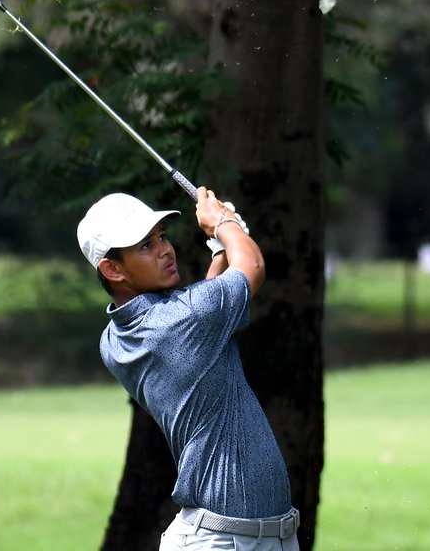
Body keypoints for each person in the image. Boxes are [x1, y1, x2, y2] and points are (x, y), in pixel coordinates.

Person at [77, 186, 300, 550]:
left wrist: (222, 248)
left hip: (256, 537)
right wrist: (224, 224)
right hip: (222, 542)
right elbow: (253, 268)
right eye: (145, 247)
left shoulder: (114, 340)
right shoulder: (180, 323)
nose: (165, 249)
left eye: (161, 237)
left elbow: (201, 321)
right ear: (112, 268)